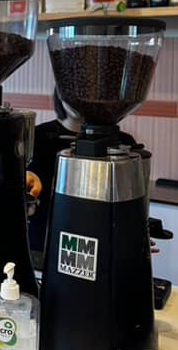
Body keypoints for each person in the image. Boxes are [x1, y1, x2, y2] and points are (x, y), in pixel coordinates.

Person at [27, 89, 137, 260]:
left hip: (101, 244)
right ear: (60, 95)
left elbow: (128, 204)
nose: (78, 101)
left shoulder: (124, 143)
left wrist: (136, 233)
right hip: (42, 240)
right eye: (72, 94)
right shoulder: (37, 136)